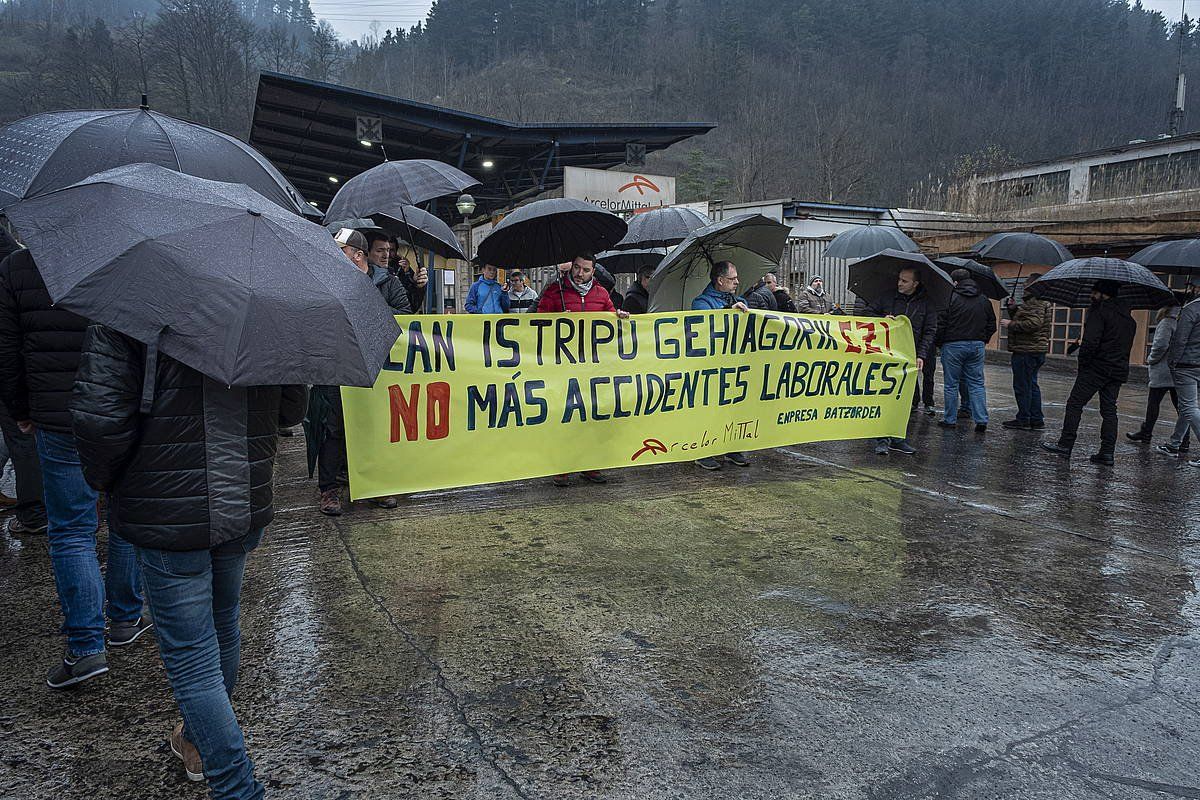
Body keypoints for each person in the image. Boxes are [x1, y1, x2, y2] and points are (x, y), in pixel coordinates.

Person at [71, 321, 307, 794]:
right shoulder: (265, 306)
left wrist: (112, 483)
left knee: (193, 657)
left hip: (167, 507)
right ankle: (197, 740)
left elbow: (100, 421)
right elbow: (291, 407)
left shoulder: (131, 301)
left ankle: (237, 786)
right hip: (241, 498)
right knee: (222, 627)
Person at [0, 245, 148, 688]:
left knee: (71, 531)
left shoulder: (17, 268)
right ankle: (125, 618)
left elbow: (6, 352)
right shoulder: (128, 254)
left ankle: (85, 648)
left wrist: (22, 408)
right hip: (122, 410)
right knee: (124, 519)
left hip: (58, 416)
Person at [311, 229, 406, 515]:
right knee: (333, 428)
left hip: (377, 367)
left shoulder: (387, 283)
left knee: (374, 426)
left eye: (340, 250)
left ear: (357, 255)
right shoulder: (328, 282)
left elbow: (405, 314)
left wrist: (371, 305)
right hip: (336, 366)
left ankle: (374, 485)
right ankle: (329, 490)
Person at [536, 253, 630, 486]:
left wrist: (618, 316)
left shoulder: (601, 294)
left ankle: (590, 465)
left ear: (593, 272)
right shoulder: (553, 291)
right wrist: (555, 320)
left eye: (585, 270)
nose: (580, 273)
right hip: (563, 368)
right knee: (565, 418)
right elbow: (536, 322)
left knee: (592, 417)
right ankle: (562, 467)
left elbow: (610, 316)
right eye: (576, 268)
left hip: (593, 369)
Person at [1042, 280, 1136, 465]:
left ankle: (1065, 445)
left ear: (1103, 294)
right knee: (1109, 410)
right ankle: (1107, 453)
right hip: (1117, 369)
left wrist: (1083, 364)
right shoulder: (1129, 319)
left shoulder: (1099, 312)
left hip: (1096, 368)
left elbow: (1090, 343)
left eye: (1094, 293)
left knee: (1074, 404)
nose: (1091, 296)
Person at [854, 266, 937, 455]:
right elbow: (866, 314)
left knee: (904, 400)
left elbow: (930, 331)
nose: (900, 283)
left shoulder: (926, 304)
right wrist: (882, 318)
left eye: (905, 281)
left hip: (909, 358)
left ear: (915, 284)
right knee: (884, 397)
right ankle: (882, 438)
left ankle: (898, 438)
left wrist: (921, 355)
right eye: (899, 279)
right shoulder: (888, 297)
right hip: (886, 356)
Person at [691, 261, 753, 470]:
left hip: (735, 366)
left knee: (733, 409)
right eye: (732, 278)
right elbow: (705, 325)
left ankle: (731, 447)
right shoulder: (701, 302)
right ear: (720, 280)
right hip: (709, 367)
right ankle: (702, 450)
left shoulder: (741, 300)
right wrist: (728, 311)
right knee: (708, 410)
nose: (737, 282)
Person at [937, 268, 996, 433]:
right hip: (977, 345)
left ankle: (949, 420)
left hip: (953, 345)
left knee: (951, 384)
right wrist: (983, 339)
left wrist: (939, 343)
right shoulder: (984, 300)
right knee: (977, 383)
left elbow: (941, 323)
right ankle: (981, 419)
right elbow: (992, 323)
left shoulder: (950, 298)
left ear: (955, 282)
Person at [1129, 303, 1190, 449]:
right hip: (1177, 370)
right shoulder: (1184, 322)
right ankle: (1184, 441)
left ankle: (1146, 434)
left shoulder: (1167, 321)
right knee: (1182, 408)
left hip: (1163, 370)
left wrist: (1151, 359)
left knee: (1153, 403)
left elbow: (1160, 345)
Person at [1000, 273, 1052, 430]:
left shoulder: (1035, 302)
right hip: (1034, 350)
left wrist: (1011, 324)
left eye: (1026, 284)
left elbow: (1033, 324)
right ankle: (1035, 418)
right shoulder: (1035, 302)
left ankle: (1024, 418)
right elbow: (1028, 319)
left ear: (1033, 285)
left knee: (1023, 386)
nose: (1023, 287)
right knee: (1031, 385)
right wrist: (1013, 310)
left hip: (1027, 351)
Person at [1158, 283, 1200, 466]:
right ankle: (1175, 444)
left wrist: (1172, 361)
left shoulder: (1192, 308)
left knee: (1189, 407)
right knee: (1187, 405)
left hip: (1186, 363)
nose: (1190, 289)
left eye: (1192, 286)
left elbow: (1180, 338)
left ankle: (1175, 444)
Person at [390, 243, 428, 313]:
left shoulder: (403, 267)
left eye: (391, 250)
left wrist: (416, 285)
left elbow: (412, 304)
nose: (387, 254)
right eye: (380, 250)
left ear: (396, 251)